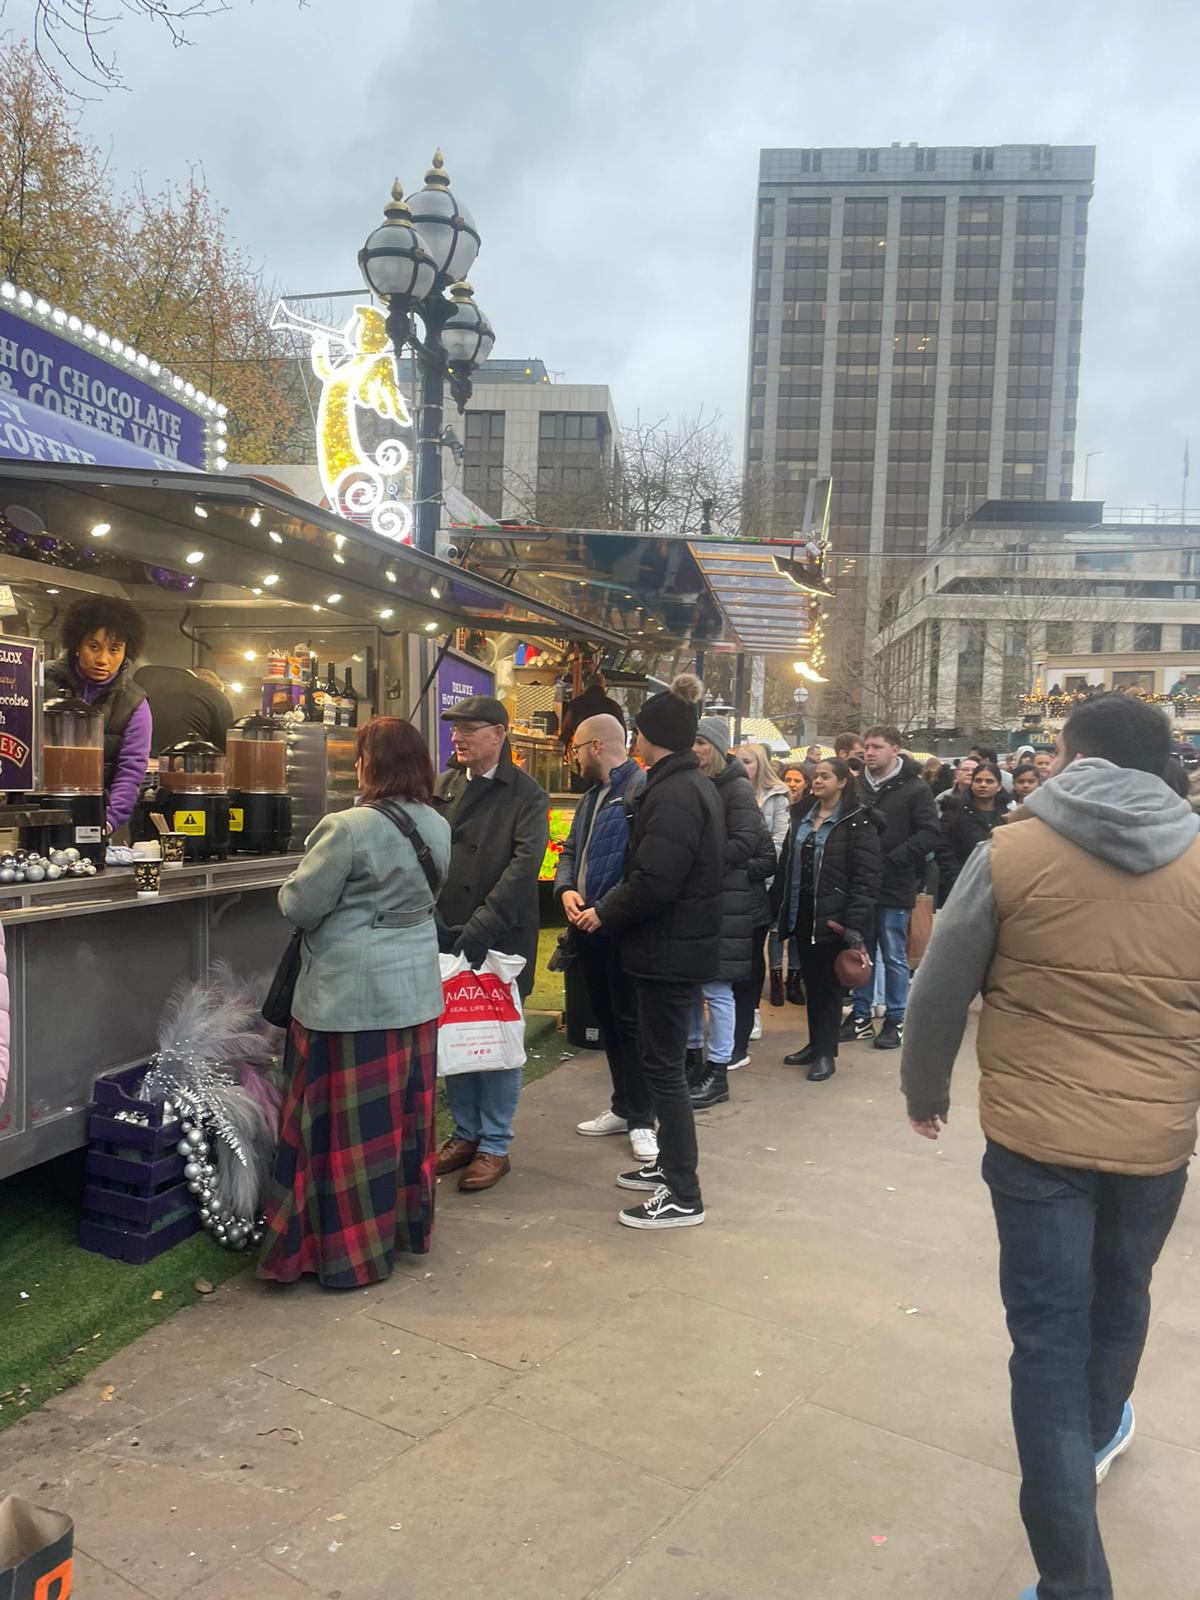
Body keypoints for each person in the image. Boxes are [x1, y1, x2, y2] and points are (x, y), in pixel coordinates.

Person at [900, 692, 1200, 1600]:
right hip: (1155, 1142)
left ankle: (1073, 1581)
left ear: (1075, 754)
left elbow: (940, 984)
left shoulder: (1012, 851)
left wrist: (925, 1090)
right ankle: (1100, 1426)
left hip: (1035, 1143)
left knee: (1045, 1341)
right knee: (1123, 1297)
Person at [258, 717, 451, 1288]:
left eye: (360, 757)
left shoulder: (345, 828)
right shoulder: (437, 824)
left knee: (335, 1136)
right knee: (395, 1129)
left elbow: (299, 906)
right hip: (413, 998)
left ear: (372, 765)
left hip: (346, 1004)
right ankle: (390, 1236)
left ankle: (334, 1252)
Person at [578, 672, 724, 1230]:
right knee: (660, 1064)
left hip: (669, 951)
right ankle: (668, 1167)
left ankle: (683, 1194)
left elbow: (655, 879)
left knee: (664, 1071)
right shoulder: (681, 784)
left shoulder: (674, 792)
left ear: (645, 736)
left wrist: (605, 910)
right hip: (672, 947)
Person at [431, 695, 550, 1193]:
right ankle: (465, 1133)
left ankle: (495, 1145)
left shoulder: (526, 794)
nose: (457, 737)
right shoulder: (445, 784)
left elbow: (525, 868)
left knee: (498, 1041)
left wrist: (480, 925)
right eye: (455, 730)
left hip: (501, 938)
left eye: (469, 729)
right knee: (456, 1035)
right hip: (446, 929)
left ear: (500, 734)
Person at [554, 713, 656, 1164]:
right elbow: (571, 851)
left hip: (622, 932)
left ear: (595, 746)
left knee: (630, 1027)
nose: (572, 758)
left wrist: (605, 909)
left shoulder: (639, 791)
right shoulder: (593, 797)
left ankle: (642, 1120)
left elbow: (642, 868)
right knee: (610, 1024)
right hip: (589, 930)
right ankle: (624, 1107)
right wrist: (566, 889)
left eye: (575, 748)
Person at [688, 714, 775, 1105]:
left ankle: (717, 1070)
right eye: (692, 743)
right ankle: (693, 1061)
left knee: (717, 988)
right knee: (692, 985)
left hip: (726, 901)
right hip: (699, 898)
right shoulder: (697, 783)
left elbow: (746, 844)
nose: (696, 750)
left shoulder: (736, 789)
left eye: (703, 743)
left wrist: (700, 860)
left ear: (718, 748)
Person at [776, 758, 882, 1082]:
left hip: (835, 917)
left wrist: (854, 923)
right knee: (812, 982)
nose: (817, 781)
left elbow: (866, 877)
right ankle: (815, 1043)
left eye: (825, 776)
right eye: (816, 776)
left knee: (830, 986)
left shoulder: (857, 822)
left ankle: (826, 1052)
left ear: (842, 782)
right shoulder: (802, 817)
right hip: (802, 910)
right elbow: (786, 866)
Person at [840, 725, 941, 1050]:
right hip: (860, 883)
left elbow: (929, 833)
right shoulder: (857, 787)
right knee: (860, 950)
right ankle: (860, 1016)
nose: (869, 752)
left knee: (894, 953)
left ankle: (896, 1019)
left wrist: (893, 859)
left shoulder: (915, 788)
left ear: (895, 749)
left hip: (895, 882)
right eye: (866, 747)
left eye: (877, 747)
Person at [45, 596, 152, 835]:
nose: (103, 659)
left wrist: (109, 820)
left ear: (126, 651)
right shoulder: (38, 683)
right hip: (38, 815)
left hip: (97, 818)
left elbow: (131, 770)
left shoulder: (135, 703)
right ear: (76, 645)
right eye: (94, 647)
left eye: (114, 649)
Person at [735, 742, 790, 1023]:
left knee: (755, 952)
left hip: (764, 883)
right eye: (737, 761)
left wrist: (746, 865)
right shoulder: (728, 792)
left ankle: (752, 1010)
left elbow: (780, 843)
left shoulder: (777, 796)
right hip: (734, 886)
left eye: (747, 761)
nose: (741, 767)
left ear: (759, 765)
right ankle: (736, 1010)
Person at [937, 760, 1011, 896]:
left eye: (989, 781)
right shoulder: (955, 812)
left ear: (999, 786)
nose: (983, 785)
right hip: (961, 884)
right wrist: (956, 878)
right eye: (978, 780)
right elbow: (943, 848)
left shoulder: (1007, 815)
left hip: (999, 885)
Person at [134, 663, 235, 754]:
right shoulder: (215, 696)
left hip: (132, 755)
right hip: (182, 763)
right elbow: (226, 748)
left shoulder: (145, 673)